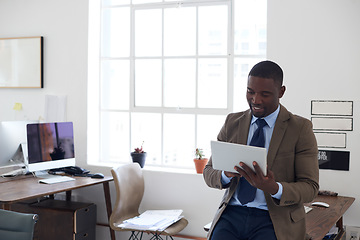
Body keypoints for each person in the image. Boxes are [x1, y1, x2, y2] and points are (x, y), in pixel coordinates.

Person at [203, 60, 319, 240]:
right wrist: (226, 174)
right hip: (232, 213)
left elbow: (310, 188)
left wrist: (275, 188)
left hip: (274, 218)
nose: (255, 100)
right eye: (250, 92)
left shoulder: (300, 129)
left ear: (281, 92)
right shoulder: (232, 123)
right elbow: (208, 172)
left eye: (265, 94)